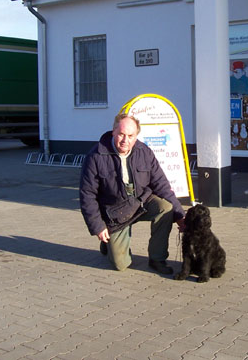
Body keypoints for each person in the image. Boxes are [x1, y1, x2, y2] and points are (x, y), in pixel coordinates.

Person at [79, 113, 185, 274]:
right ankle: (108, 242)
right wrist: (98, 226)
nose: (125, 140)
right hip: (115, 212)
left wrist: (180, 216)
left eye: (130, 136)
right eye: (121, 134)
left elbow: (162, 185)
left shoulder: (145, 152)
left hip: (141, 201)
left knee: (166, 208)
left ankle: (157, 259)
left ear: (136, 136)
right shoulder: (95, 156)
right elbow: (87, 195)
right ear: (113, 131)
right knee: (121, 265)